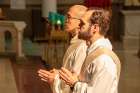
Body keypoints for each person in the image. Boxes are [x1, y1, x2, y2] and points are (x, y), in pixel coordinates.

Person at [59, 8, 121, 93]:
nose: (79, 26)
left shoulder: (104, 59)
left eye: (82, 23)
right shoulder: (92, 51)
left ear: (95, 28)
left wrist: (74, 83)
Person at [38, 5, 88, 93]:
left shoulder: (82, 46)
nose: (65, 20)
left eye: (69, 17)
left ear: (80, 22)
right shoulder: (76, 42)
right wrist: (59, 73)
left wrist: (55, 79)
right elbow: (71, 70)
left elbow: (76, 80)